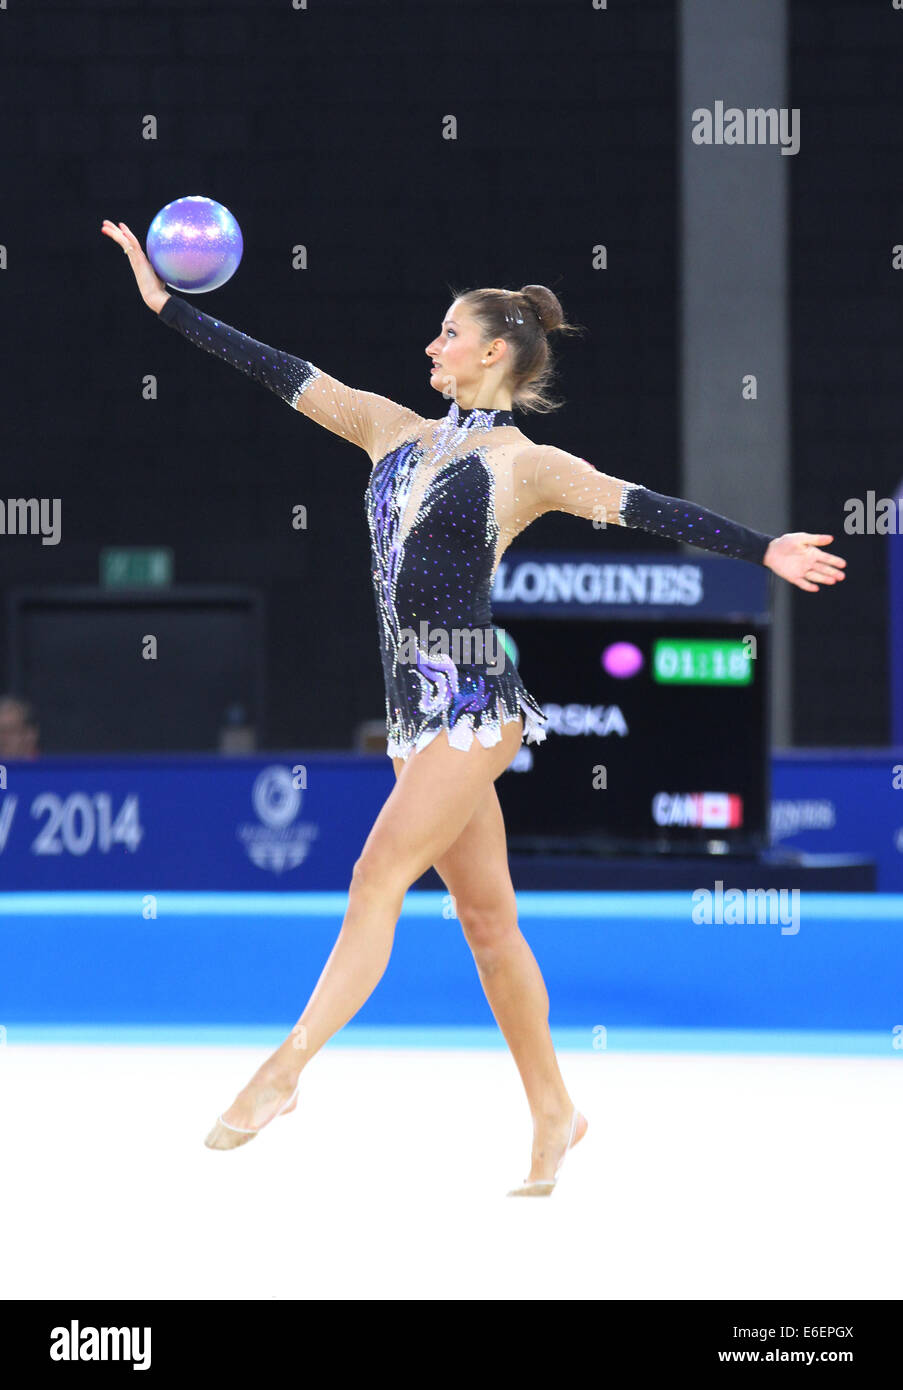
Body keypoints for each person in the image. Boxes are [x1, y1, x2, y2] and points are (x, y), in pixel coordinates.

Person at [101, 218, 846, 1195]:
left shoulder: (526, 466)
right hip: (414, 719)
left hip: (474, 702)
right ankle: (556, 1112)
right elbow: (282, 372)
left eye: (447, 334)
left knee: (377, 872)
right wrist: (168, 307)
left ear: (494, 351)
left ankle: (288, 1067)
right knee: (488, 921)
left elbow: (644, 504)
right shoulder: (390, 431)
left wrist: (763, 550)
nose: (429, 347)